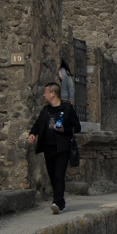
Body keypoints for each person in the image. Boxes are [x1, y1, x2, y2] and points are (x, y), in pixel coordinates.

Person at [27, 82, 81, 214]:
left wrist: (64, 130)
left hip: (62, 148)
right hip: (48, 148)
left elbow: (77, 127)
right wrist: (32, 134)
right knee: (52, 175)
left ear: (52, 94)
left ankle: (57, 202)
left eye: (45, 92)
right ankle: (60, 202)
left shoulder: (67, 109)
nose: (44, 95)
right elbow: (38, 124)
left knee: (59, 175)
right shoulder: (46, 110)